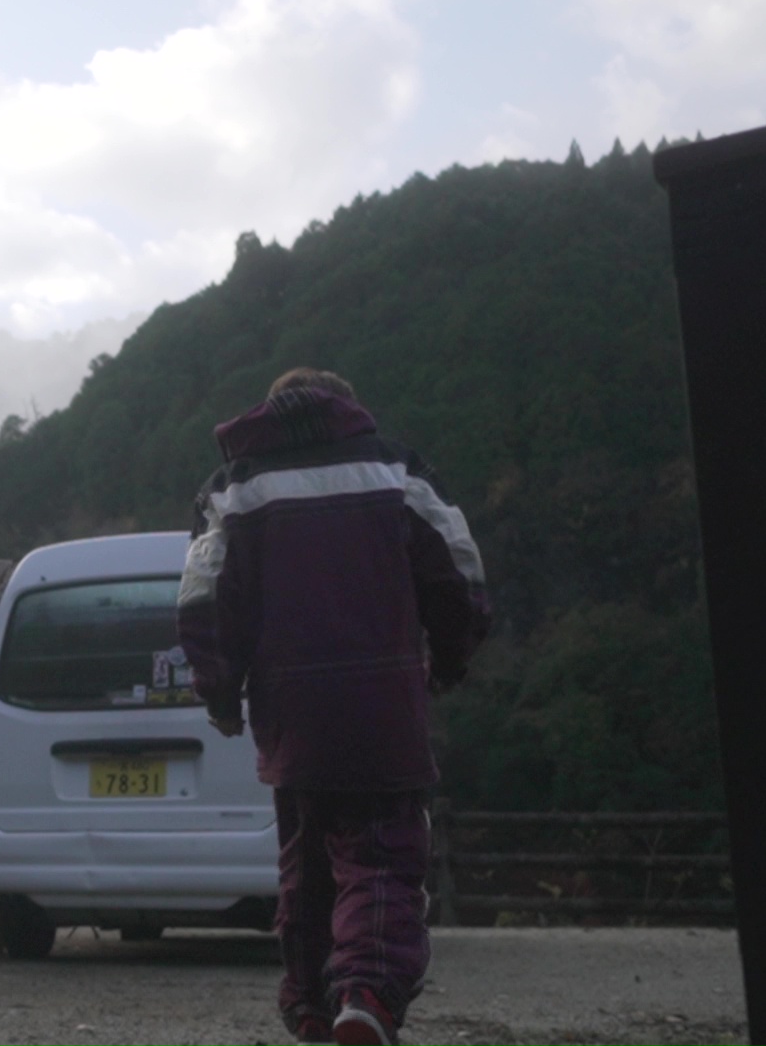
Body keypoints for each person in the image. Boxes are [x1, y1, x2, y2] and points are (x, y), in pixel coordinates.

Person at [175, 369, 489, 1046]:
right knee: (381, 855)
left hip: (291, 715)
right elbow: (458, 572)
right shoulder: (395, 471)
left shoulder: (234, 488)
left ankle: (312, 1005)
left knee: (307, 864)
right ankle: (366, 994)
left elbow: (204, 599)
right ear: (347, 408)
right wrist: (450, 659)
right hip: (384, 706)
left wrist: (220, 692)